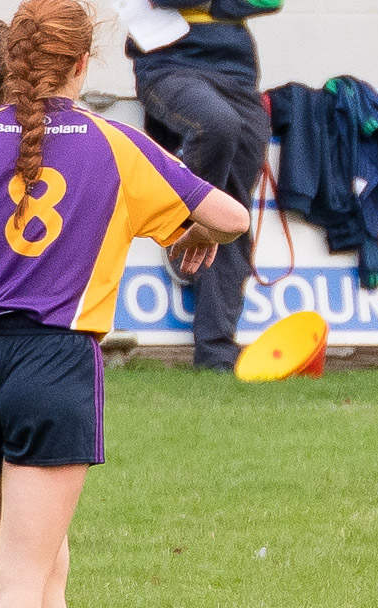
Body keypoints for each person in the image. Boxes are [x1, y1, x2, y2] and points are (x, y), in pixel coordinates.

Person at [0, 0, 249, 608]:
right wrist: (189, 232)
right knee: (23, 579)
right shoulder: (111, 143)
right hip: (52, 364)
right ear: (80, 66)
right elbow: (229, 216)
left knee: (29, 566)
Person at [126, 0, 280, 372]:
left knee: (233, 213)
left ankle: (216, 354)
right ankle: (187, 224)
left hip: (237, 71)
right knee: (216, 124)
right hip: (167, 66)